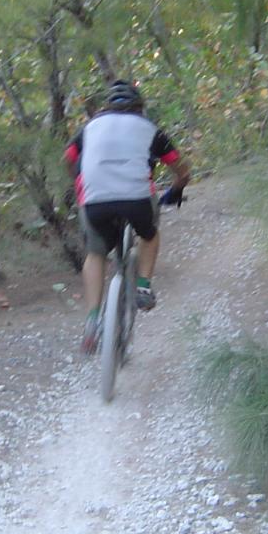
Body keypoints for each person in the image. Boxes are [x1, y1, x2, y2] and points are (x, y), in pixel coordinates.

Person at [64, 79, 190, 354]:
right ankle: (143, 286)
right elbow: (181, 169)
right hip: (137, 199)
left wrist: (80, 181)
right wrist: (176, 191)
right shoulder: (150, 129)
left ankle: (93, 320)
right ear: (139, 107)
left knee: (95, 254)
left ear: (107, 106)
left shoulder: (89, 128)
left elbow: (69, 156)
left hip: (95, 199)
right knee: (149, 234)